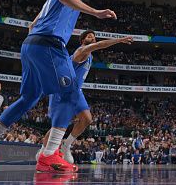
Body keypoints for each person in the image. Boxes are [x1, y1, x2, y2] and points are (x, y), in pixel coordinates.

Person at [0, 0, 117, 173]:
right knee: (71, 93)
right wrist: (96, 12)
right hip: (49, 45)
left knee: (28, 98)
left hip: (31, 45)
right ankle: (49, 154)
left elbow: (32, 25)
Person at [36, 30, 133, 163]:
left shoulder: (89, 55)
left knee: (87, 119)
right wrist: (119, 40)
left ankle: (66, 145)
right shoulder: (82, 51)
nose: (93, 38)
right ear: (82, 40)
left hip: (76, 90)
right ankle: (43, 150)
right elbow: (101, 44)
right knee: (59, 124)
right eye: (89, 36)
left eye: (94, 37)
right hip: (64, 90)